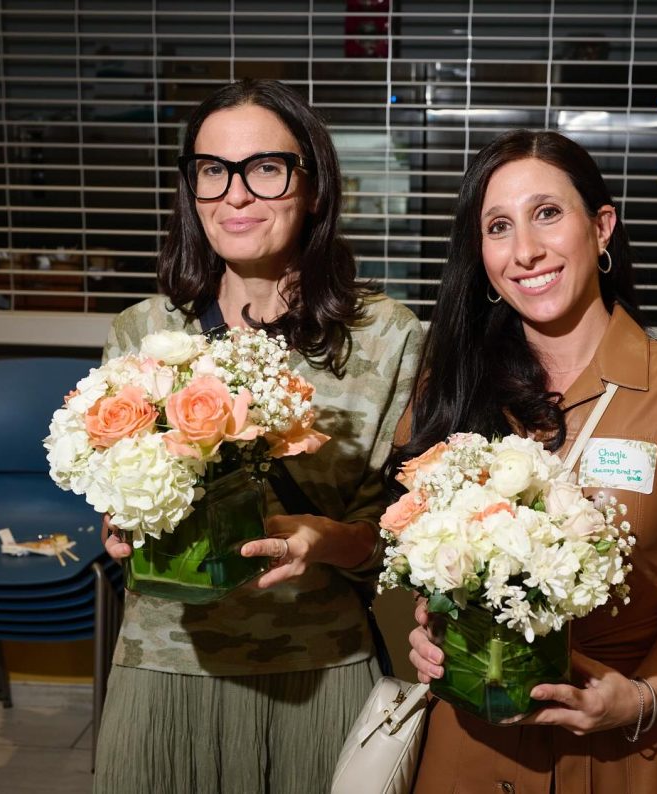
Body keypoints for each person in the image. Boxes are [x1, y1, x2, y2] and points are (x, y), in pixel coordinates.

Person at [395, 130, 657, 793]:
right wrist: (429, 626)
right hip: (471, 740)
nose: (526, 250)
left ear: (601, 228)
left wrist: (640, 695)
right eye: (499, 227)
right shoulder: (456, 387)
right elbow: (434, 554)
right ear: (482, 256)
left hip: (624, 742)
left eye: (547, 213)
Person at [93, 78, 422, 794]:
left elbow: (394, 539)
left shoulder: (388, 338)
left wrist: (321, 539)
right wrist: (117, 519)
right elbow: (115, 493)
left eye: (264, 168)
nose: (235, 195)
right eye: (213, 171)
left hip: (319, 664)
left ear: (313, 185)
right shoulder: (144, 330)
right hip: (165, 662)